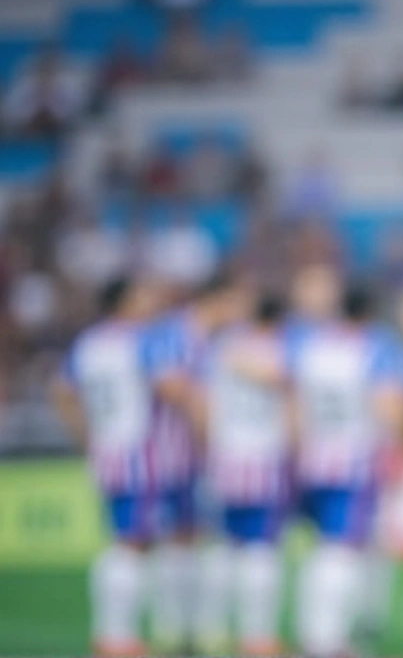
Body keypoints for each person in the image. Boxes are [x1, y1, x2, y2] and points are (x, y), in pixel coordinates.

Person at [288, 282, 403, 658]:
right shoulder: (375, 348)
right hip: (354, 462)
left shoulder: (310, 345)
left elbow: (291, 402)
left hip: (312, 459)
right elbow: (391, 405)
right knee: (341, 549)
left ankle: (314, 632)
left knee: (324, 547)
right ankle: (325, 641)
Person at [50, 277, 161, 656]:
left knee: (121, 539)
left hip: (105, 450)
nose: (151, 300)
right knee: (130, 543)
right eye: (144, 293)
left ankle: (110, 635)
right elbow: (170, 385)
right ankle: (117, 638)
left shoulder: (89, 342)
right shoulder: (140, 340)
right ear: (126, 301)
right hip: (135, 450)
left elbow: (63, 392)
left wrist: (87, 435)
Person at [144, 270, 250, 654]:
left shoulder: (215, 340)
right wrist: (211, 433)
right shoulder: (175, 335)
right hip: (177, 457)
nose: (242, 311)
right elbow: (171, 387)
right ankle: (175, 626)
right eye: (238, 302)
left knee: (201, 539)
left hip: (199, 457)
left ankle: (199, 626)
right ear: (219, 299)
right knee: (179, 540)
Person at [193, 293, 293, 656]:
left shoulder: (220, 348)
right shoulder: (280, 351)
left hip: (223, 459)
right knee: (260, 548)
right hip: (264, 460)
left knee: (222, 546)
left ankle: (210, 630)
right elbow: (286, 390)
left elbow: (202, 402)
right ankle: (257, 637)